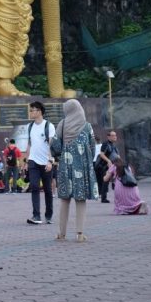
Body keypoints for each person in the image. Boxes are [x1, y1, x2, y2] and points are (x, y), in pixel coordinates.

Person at [54, 98, 98, 243]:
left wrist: (61, 154)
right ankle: (80, 234)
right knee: (81, 200)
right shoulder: (87, 126)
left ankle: (61, 233)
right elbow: (92, 147)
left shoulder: (62, 124)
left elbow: (56, 145)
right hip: (82, 166)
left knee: (65, 200)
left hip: (66, 165)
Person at [24, 101, 55, 225]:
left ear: (40, 111)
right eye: (30, 110)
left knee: (48, 189)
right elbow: (29, 144)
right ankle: (36, 215)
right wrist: (26, 160)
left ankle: (49, 215)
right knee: (35, 187)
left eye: (33, 110)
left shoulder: (49, 126)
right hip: (33, 162)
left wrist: (50, 161)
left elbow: (52, 145)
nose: (31, 112)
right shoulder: (29, 126)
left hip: (46, 162)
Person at [94, 129, 119, 203]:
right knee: (105, 181)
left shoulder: (113, 145)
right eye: (113, 135)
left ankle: (116, 196)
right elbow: (102, 154)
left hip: (112, 166)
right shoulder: (105, 144)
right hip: (105, 166)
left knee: (110, 181)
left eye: (115, 135)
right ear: (108, 137)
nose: (115, 137)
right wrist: (108, 161)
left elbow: (116, 155)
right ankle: (103, 198)